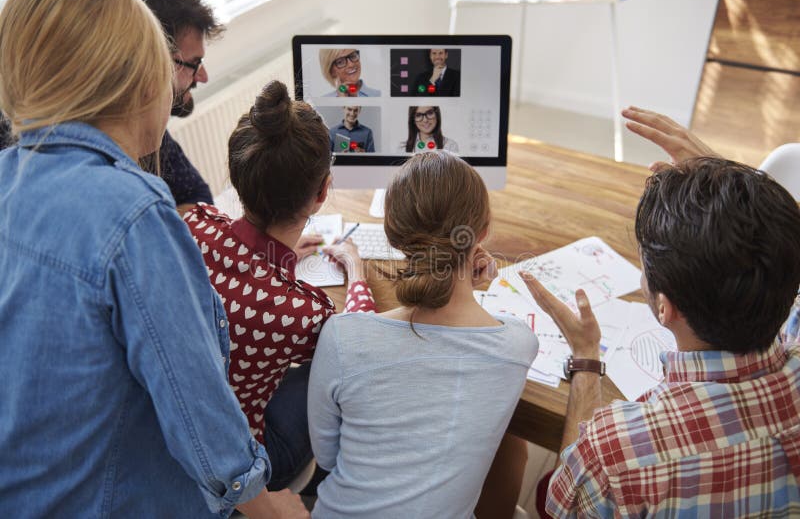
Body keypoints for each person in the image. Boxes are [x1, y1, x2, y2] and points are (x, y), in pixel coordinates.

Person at [0, 0, 306, 517]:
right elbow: (206, 426)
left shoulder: (8, 177)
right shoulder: (133, 214)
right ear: (137, 78)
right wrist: (274, 509)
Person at [520, 120, 800, 515]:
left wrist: (586, 360)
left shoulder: (616, 452)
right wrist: (729, 188)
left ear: (665, 309)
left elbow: (560, 507)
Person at [307, 151, 539, 518]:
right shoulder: (517, 344)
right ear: (483, 232)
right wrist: (468, 288)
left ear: (393, 235)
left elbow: (326, 458)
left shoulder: (341, 337)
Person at [183, 80, 377, 491]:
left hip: (184, 428)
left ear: (237, 177)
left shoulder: (193, 224)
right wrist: (357, 273)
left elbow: (234, 276)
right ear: (323, 191)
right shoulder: (302, 313)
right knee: (329, 373)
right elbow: (359, 346)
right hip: (242, 452)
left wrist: (279, 257)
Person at [139, 0, 220, 211]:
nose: (203, 77)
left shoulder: (156, 133)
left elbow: (199, 195)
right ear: (154, 63)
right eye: (194, 63)